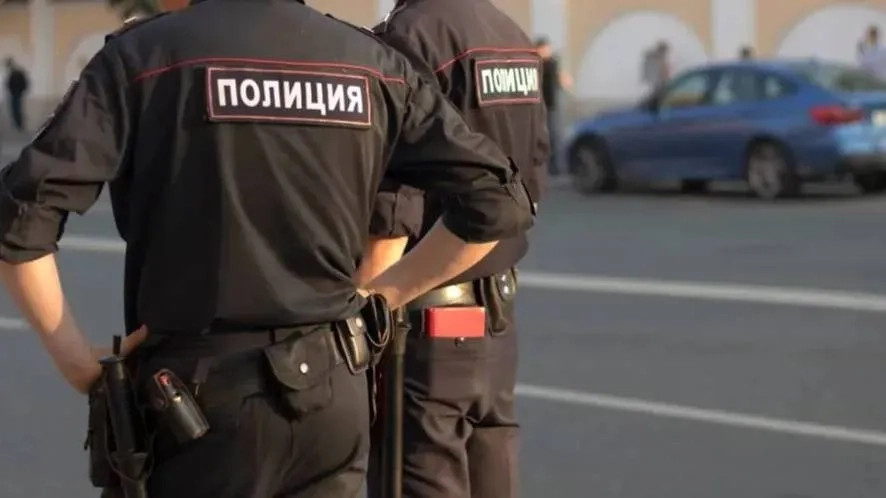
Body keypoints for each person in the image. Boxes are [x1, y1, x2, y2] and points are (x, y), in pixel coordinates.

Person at [0, 0, 534, 496]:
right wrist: (384, 295)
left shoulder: (144, 56)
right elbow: (499, 200)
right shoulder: (371, 61)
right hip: (333, 397)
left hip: (196, 406)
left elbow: (21, 213)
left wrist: (76, 360)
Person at [361, 1, 548, 496]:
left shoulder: (408, 36)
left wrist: (368, 309)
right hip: (497, 321)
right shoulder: (509, 34)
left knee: (418, 475)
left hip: (425, 324)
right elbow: (533, 176)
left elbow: (394, 202)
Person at [535, 37, 572, 177]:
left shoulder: (553, 64)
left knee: (555, 137)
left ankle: (557, 167)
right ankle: (549, 166)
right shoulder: (536, 65)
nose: (543, 52)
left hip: (552, 107)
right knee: (544, 137)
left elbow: (565, 82)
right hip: (540, 107)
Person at [4, 58, 29, 132]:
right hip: (15, 93)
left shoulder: (15, 72)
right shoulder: (15, 72)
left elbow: (18, 82)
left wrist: (20, 90)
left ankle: (19, 124)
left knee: (16, 109)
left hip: (16, 93)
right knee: (16, 109)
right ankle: (18, 124)